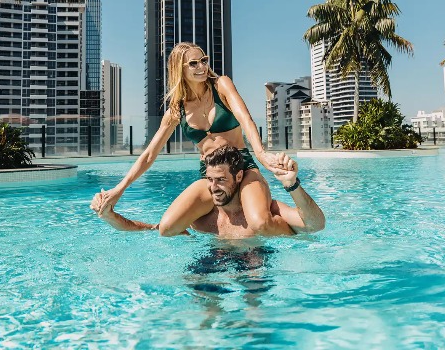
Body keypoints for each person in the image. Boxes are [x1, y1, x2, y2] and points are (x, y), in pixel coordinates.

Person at [95, 42, 295, 236]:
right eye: (193, 63)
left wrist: (261, 154)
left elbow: (246, 118)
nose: (202, 66)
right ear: (179, 69)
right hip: (210, 174)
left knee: (261, 223)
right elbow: (149, 155)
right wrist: (120, 189)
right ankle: (153, 228)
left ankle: (293, 230)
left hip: (242, 165)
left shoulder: (221, 85)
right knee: (167, 228)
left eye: (204, 60)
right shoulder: (176, 110)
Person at [90, 146, 326, 238]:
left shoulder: (268, 210)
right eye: (210, 180)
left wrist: (292, 185)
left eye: (221, 180)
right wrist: (111, 216)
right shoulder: (202, 220)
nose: (213, 187)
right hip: (213, 262)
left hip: (256, 264)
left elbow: (315, 225)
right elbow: (151, 230)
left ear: (240, 177)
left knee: (253, 308)